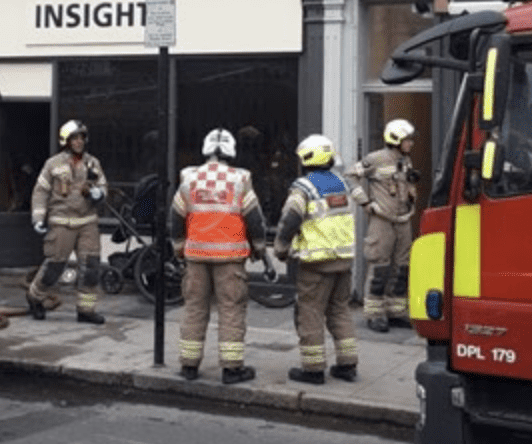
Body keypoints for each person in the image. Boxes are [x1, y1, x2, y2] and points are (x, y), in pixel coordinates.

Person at [170, 128, 266, 384]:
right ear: (231, 150)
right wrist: (259, 248)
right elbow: (255, 220)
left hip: (196, 256)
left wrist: (179, 247)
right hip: (230, 257)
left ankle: (189, 366)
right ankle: (232, 369)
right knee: (231, 309)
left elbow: (176, 217)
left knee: (194, 309)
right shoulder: (240, 179)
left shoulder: (189, 178)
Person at [273, 134, 358, 385]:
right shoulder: (342, 184)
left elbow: (290, 220)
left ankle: (313, 369)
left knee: (310, 313)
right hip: (343, 259)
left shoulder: (304, 188)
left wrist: (280, 248)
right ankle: (348, 365)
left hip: (316, 264)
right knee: (340, 311)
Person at [27, 119, 107, 324]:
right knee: (54, 266)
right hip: (61, 222)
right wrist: (38, 219)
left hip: (87, 222)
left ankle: (86, 310)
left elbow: (103, 187)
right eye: (75, 138)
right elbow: (40, 192)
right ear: (66, 141)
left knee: (91, 267)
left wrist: (99, 193)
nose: (79, 142)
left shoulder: (93, 163)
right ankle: (35, 297)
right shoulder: (53, 164)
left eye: (81, 138)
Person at [346, 118, 419, 333]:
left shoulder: (406, 160)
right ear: (395, 139)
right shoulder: (375, 159)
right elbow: (350, 176)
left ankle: (396, 311)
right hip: (383, 221)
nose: (411, 143)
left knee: (402, 267)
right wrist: (365, 203)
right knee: (379, 267)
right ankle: (374, 313)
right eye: (407, 140)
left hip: (403, 220)